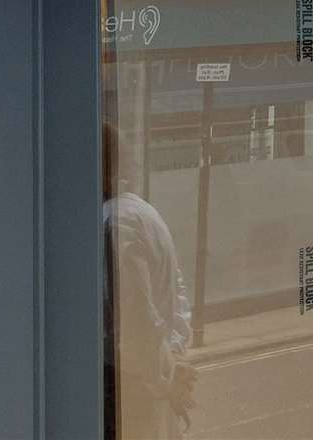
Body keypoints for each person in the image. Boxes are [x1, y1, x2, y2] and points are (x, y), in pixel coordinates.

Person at [103, 123, 197, 439]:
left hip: (131, 388)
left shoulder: (113, 223)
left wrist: (167, 374)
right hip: (148, 382)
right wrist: (173, 357)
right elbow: (178, 296)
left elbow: (135, 317)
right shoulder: (143, 213)